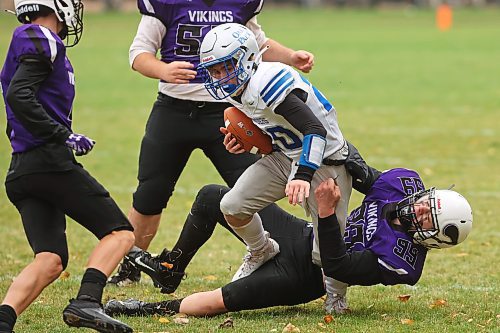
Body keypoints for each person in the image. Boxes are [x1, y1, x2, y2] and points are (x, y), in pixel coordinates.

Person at [108, 0, 316, 286]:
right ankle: (130, 269)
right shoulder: (167, 3)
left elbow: (258, 44)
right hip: (173, 110)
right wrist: (162, 70)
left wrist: (291, 56)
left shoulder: (239, 4)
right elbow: (138, 54)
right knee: (149, 194)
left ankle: (274, 253)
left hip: (227, 111)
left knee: (251, 187)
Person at [103, 162, 473, 317]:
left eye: (429, 218)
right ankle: (171, 269)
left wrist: (327, 212)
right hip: (305, 235)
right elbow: (358, 170)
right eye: (429, 204)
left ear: (433, 238)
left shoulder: (403, 260)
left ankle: (146, 310)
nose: (421, 210)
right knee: (214, 196)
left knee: (223, 301)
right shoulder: (402, 184)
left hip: (309, 275)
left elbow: (338, 264)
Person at [196, 22, 352, 310]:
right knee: (232, 205)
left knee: (327, 245)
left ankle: (336, 295)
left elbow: (314, 130)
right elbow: (272, 134)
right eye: (214, 70)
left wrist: (303, 175)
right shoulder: (238, 88)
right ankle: (261, 248)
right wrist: (246, 143)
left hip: (324, 160)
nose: (219, 76)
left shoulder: (267, 81)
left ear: (247, 58)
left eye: (225, 67)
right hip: (286, 155)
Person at [0, 0, 135, 332]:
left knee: (50, 260)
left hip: (23, 168)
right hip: (48, 162)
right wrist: (63, 135)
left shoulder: (30, 39)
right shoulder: (41, 36)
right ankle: (86, 302)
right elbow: (19, 94)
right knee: (120, 234)